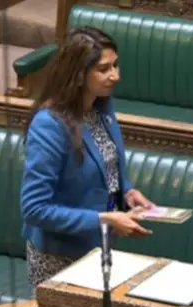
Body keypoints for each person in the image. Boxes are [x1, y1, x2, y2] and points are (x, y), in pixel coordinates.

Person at [20, 26, 154, 290]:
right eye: (103, 69)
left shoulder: (101, 107)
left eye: (116, 65)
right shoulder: (49, 125)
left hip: (98, 250)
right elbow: (34, 209)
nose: (115, 76)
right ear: (79, 75)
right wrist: (104, 218)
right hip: (59, 260)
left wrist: (127, 192)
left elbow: (108, 166)